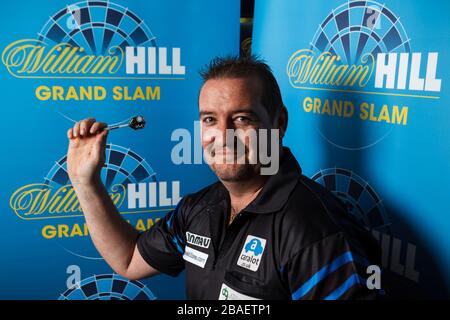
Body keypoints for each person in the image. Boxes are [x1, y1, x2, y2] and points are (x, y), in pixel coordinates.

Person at [66, 55, 381, 300]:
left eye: (242, 119)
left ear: (279, 123)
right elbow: (130, 261)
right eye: (210, 119)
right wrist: (86, 183)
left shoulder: (314, 229)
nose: (223, 136)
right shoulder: (199, 208)